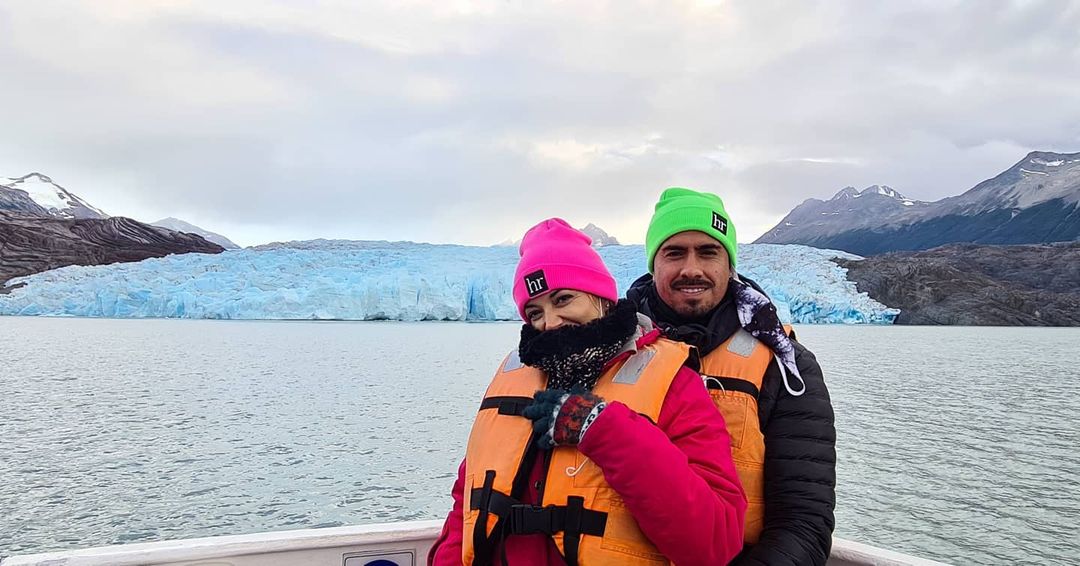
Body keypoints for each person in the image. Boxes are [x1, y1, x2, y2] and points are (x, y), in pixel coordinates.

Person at [429, 218, 746, 566]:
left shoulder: (672, 382)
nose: (550, 322)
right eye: (535, 311)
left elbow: (715, 542)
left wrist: (605, 430)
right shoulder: (516, 378)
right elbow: (466, 509)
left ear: (601, 297)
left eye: (563, 299)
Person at [626, 188, 837, 565]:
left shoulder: (785, 366)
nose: (692, 268)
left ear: (729, 264)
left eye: (708, 252)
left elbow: (803, 524)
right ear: (653, 265)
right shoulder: (607, 351)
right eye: (674, 252)